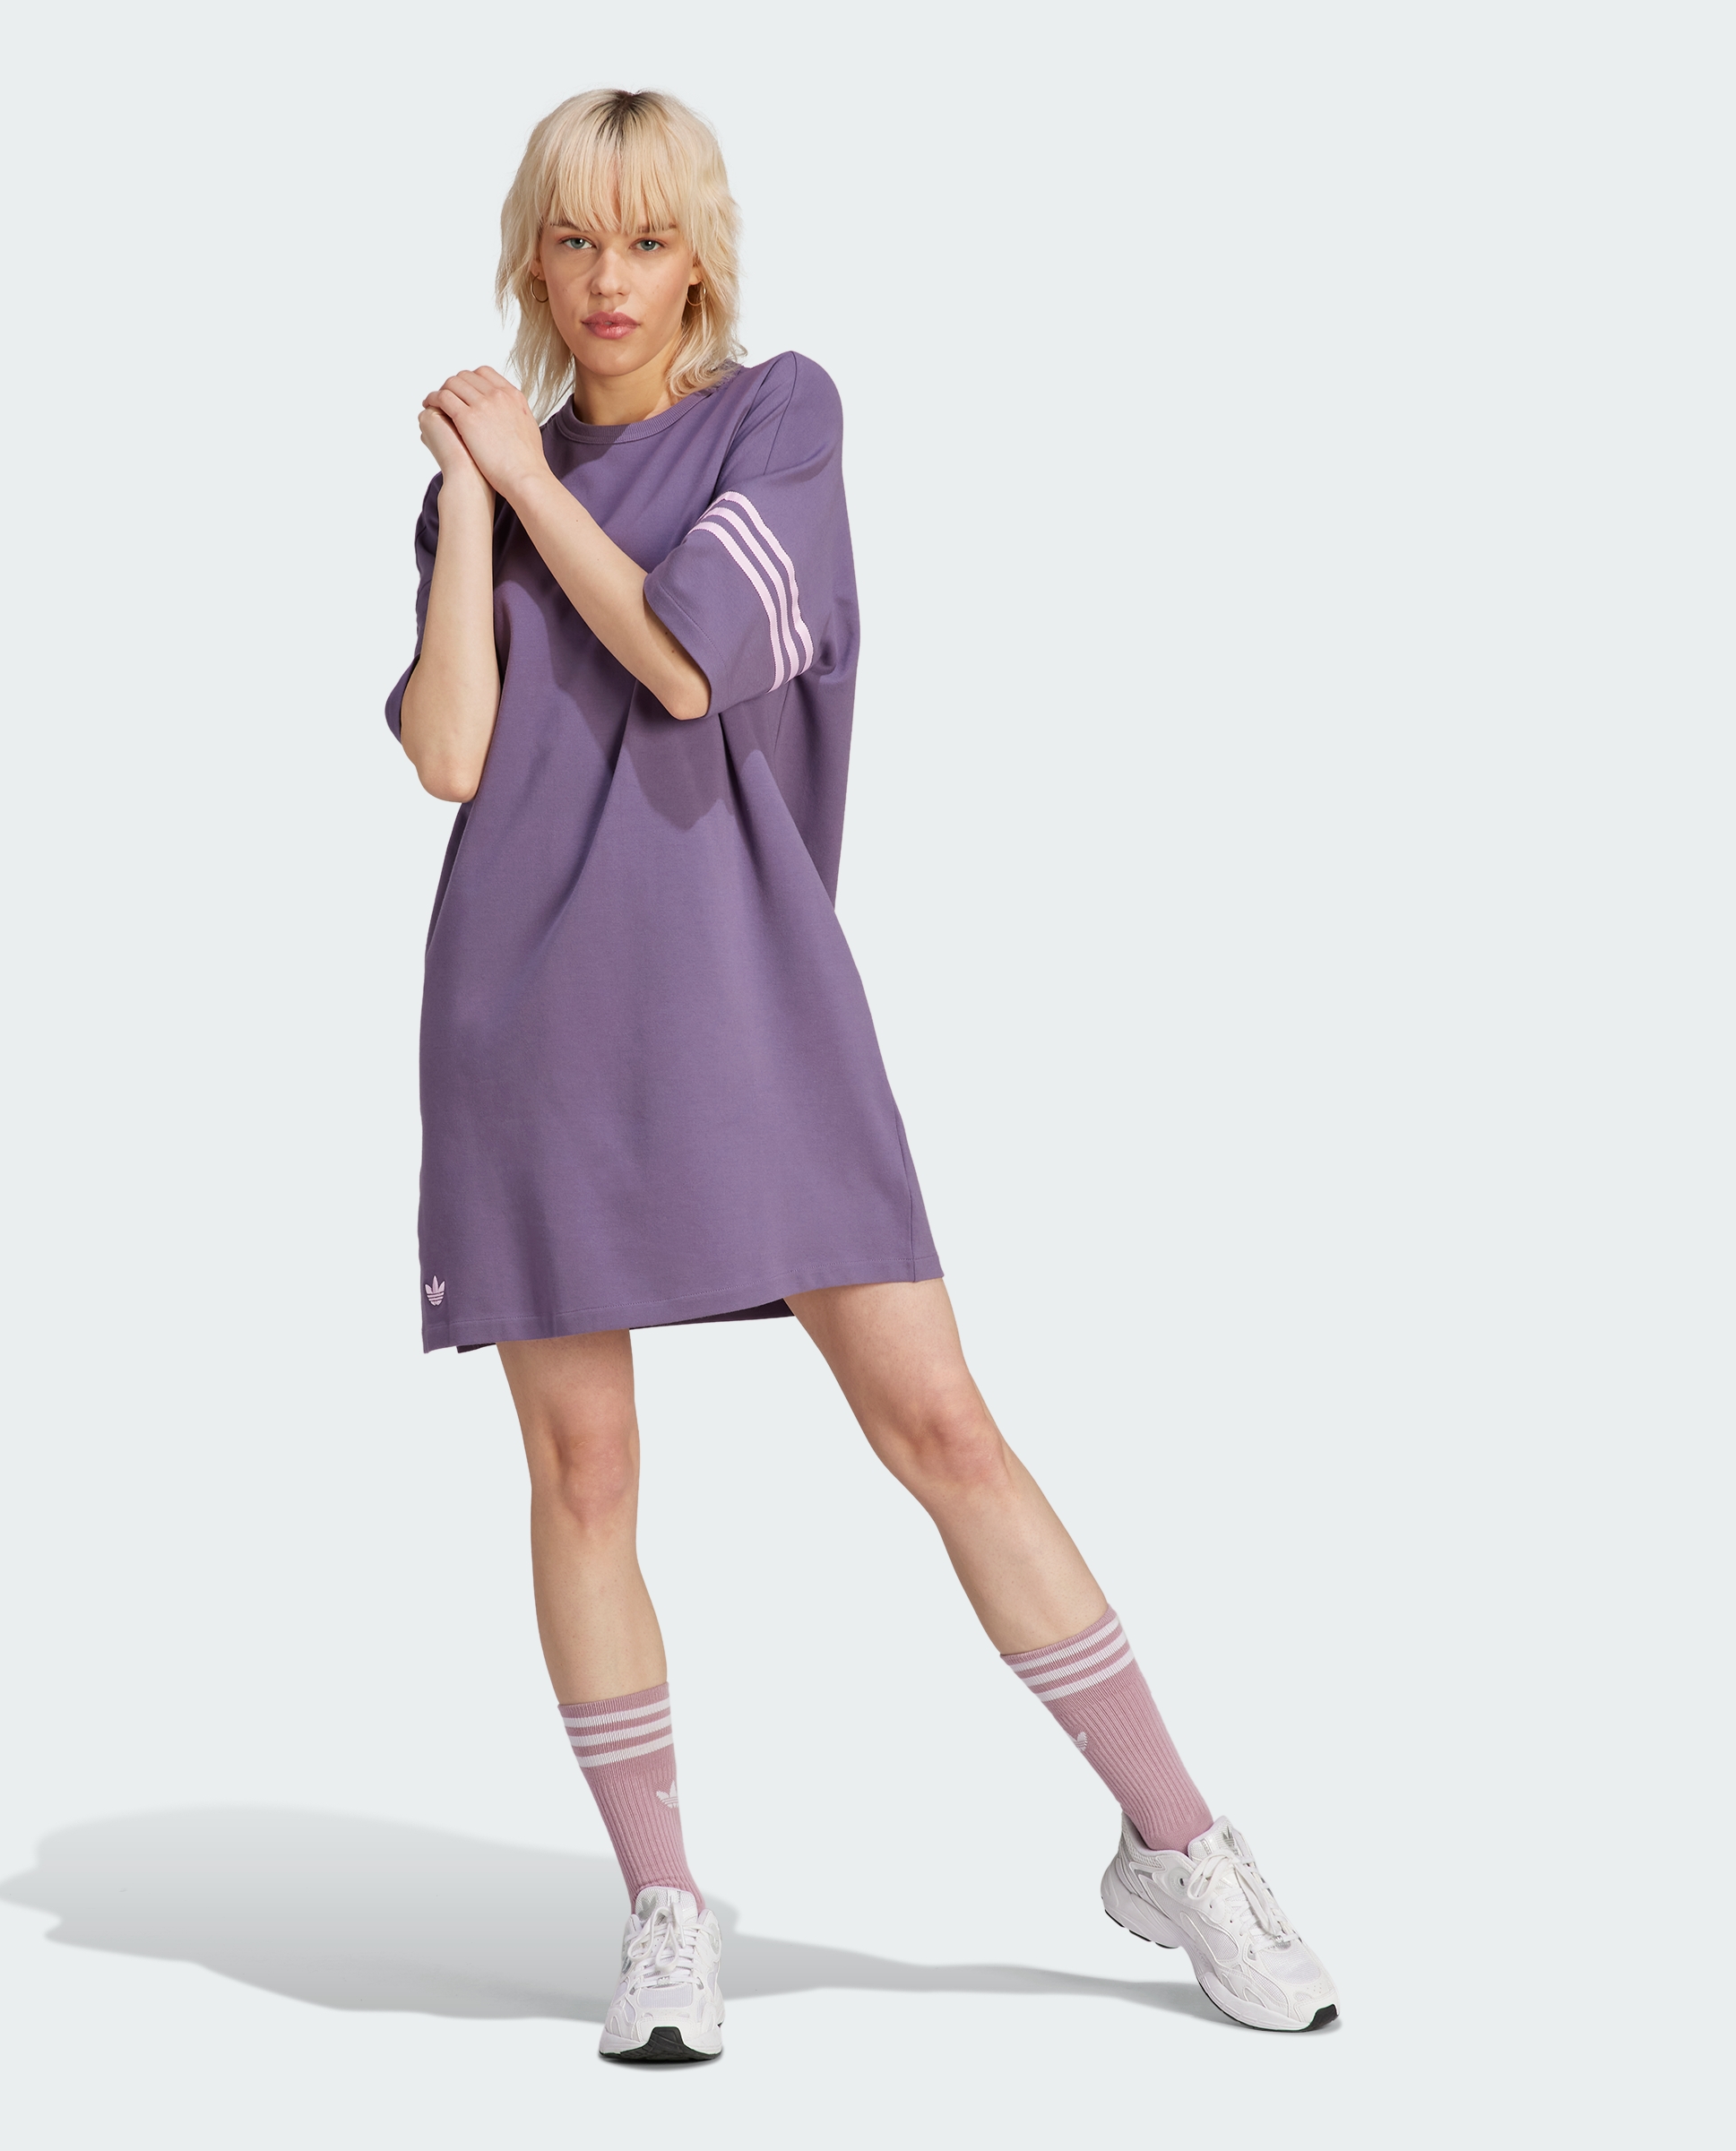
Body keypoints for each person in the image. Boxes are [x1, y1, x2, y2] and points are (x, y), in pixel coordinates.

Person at [384, 86, 1338, 2061]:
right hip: (525, 1025)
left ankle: (1178, 1843)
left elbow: (683, 660)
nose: (609, 277)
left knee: (943, 1426)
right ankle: (664, 1910)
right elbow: (449, 755)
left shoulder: (779, 419)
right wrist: (473, 495)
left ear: (700, 258)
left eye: (647, 238)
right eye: (574, 238)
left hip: (748, 997)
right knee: (584, 1470)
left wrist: (525, 482)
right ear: (533, 260)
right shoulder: (489, 476)